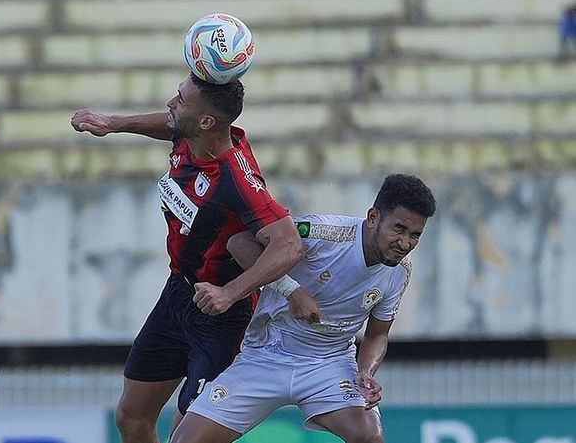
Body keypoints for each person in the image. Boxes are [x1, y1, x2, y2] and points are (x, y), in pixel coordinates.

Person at [71, 72, 310, 443]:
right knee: (131, 419)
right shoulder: (190, 135)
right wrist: (113, 124)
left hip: (221, 317)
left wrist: (230, 292)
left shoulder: (238, 181)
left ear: (205, 122)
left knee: (188, 437)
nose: (170, 103)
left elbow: (289, 244)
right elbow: (170, 125)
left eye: (180, 100)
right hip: (178, 295)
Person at [170, 174, 437, 443]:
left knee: (370, 437)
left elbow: (377, 335)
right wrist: (292, 291)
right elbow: (239, 243)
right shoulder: (323, 233)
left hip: (328, 364)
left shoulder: (400, 271)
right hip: (266, 355)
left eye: (415, 235)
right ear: (373, 217)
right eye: (399, 229)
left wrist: (365, 372)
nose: (405, 243)